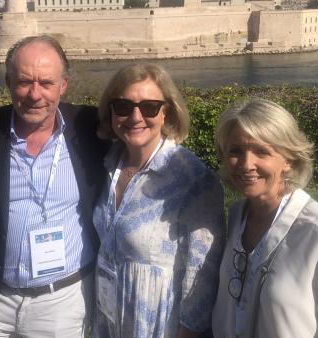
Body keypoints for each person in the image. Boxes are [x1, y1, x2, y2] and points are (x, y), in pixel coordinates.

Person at [0, 35, 108, 337]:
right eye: (24, 82)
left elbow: (139, 129)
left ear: (63, 86)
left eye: (47, 83)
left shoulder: (88, 127)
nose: (35, 94)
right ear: (8, 82)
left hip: (61, 302)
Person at [211, 98, 318, 338]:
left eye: (261, 151)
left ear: (289, 160)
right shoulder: (234, 220)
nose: (246, 164)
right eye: (235, 151)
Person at [91, 63, 225, 338]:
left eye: (150, 107)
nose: (135, 116)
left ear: (167, 113)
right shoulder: (107, 165)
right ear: (112, 112)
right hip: (110, 318)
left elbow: (203, 271)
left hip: (158, 324)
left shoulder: (192, 179)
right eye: (123, 106)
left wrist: (189, 331)